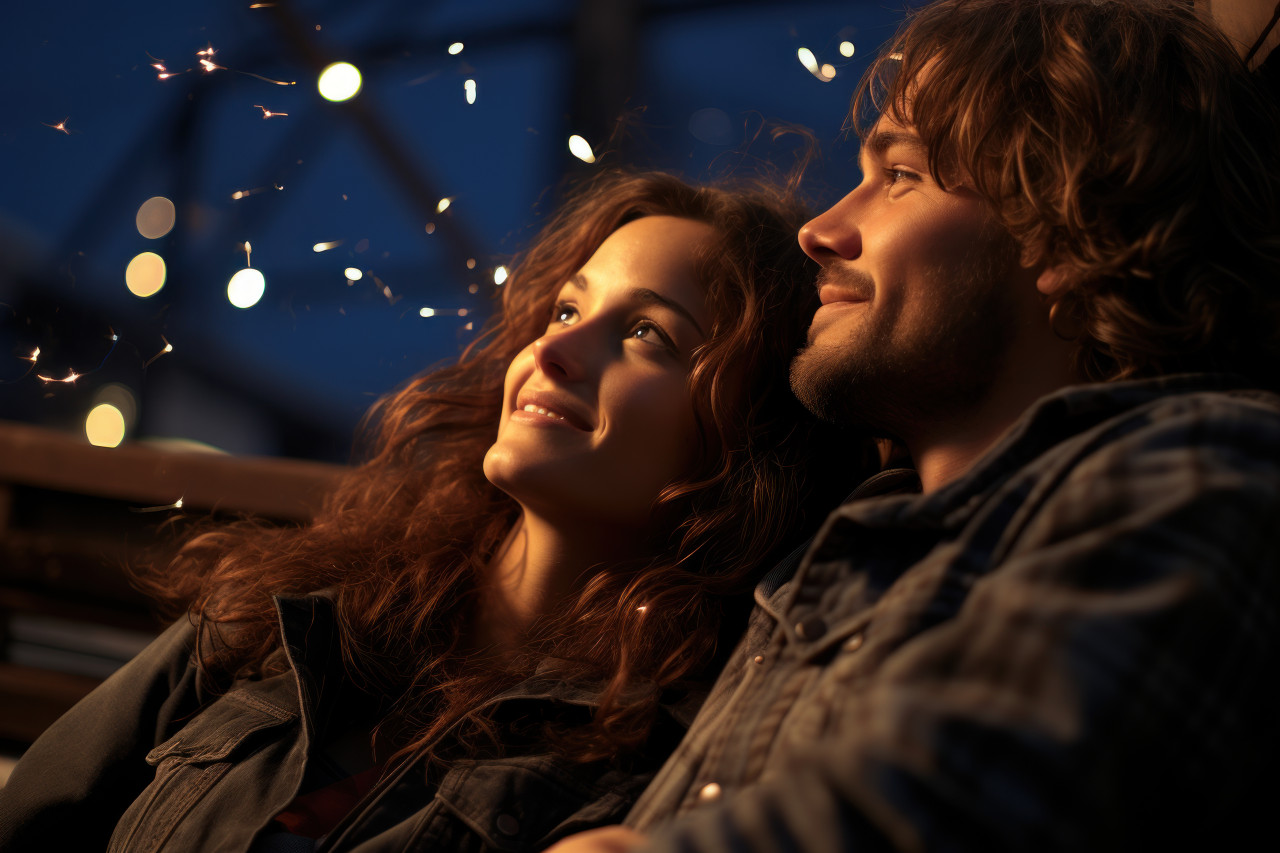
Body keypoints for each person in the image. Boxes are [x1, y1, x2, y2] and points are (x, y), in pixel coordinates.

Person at [548, 1, 1280, 851]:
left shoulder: (1206, 469)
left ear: (1074, 218)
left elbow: (972, 801)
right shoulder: (823, 563)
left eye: (900, 175)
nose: (820, 231)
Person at [0, 171, 873, 851]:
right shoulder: (292, 612)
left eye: (648, 333)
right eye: (567, 306)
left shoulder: (662, 769)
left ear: (746, 437)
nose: (556, 348)